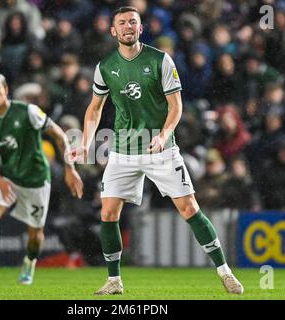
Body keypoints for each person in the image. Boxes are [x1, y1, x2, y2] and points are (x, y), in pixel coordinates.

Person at [68, 6, 243, 295]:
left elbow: (176, 107)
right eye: (122, 22)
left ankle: (225, 272)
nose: (127, 26)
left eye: (133, 22)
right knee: (108, 213)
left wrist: (164, 135)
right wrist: (85, 143)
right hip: (123, 150)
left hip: (159, 148)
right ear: (113, 31)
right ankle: (114, 281)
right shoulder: (105, 67)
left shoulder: (160, 60)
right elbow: (94, 109)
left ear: (140, 28)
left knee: (189, 208)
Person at [0, 73, 83, 285]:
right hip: (9, 179)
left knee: (35, 234)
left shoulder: (28, 111)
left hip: (36, 180)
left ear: (6, 90)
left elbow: (59, 135)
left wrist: (69, 168)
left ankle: (29, 264)